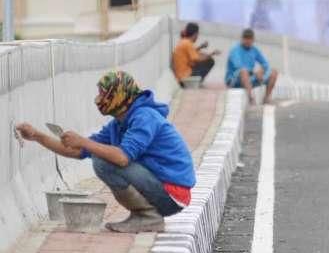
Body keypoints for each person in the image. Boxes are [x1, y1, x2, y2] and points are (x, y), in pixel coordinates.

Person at [16, 70, 196, 233]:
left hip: (173, 194)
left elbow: (122, 158)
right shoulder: (118, 124)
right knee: (99, 154)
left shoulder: (144, 117)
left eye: (103, 94)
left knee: (103, 162)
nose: (98, 99)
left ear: (119, 95)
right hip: (160, 187)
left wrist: (83, 141)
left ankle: (148, 218)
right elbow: (77, 151)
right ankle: (143, 216)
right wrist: (37, 136)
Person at [225, 28, 279, 104]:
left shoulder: (254, 50)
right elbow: (239, 66)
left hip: (249, 78)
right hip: (235, 79)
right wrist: (254, 72)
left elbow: (265, 64)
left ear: (253, 40)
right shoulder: (235, 50)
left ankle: (266, 98)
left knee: (274, 72)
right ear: (242, 39)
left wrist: (262, 70)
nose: (247, 41)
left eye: (249, 39)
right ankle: (251, 99)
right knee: (244, 72)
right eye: (245, 38)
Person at [173, 22, 221, 86]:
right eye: (197, 34)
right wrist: (212, 54)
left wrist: (201, 47)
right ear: (195, 34)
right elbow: (197, 59)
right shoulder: (188, 44)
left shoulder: (184, 41)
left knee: (204, 58)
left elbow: (192, 52)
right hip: (185, 77)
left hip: (180, 76)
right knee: (210, 61)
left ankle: (196, 81)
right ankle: (196, 82)